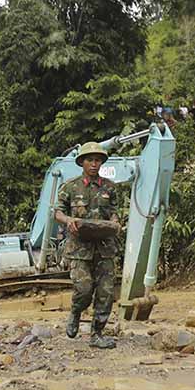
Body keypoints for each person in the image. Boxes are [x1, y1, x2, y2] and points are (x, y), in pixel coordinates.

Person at [55, 143, 120, 349]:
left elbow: (115, 212)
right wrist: (68, 221)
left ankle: (97, 334)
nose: (94, 163)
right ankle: (75, 312)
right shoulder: (70, 186)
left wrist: (116, 222)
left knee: (106, 292)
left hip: (105, 248)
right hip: (79, 248)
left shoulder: (110, 187)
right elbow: (57, 212)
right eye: (90, 160)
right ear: (82, 162)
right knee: (83, 289)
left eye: (97, 160)